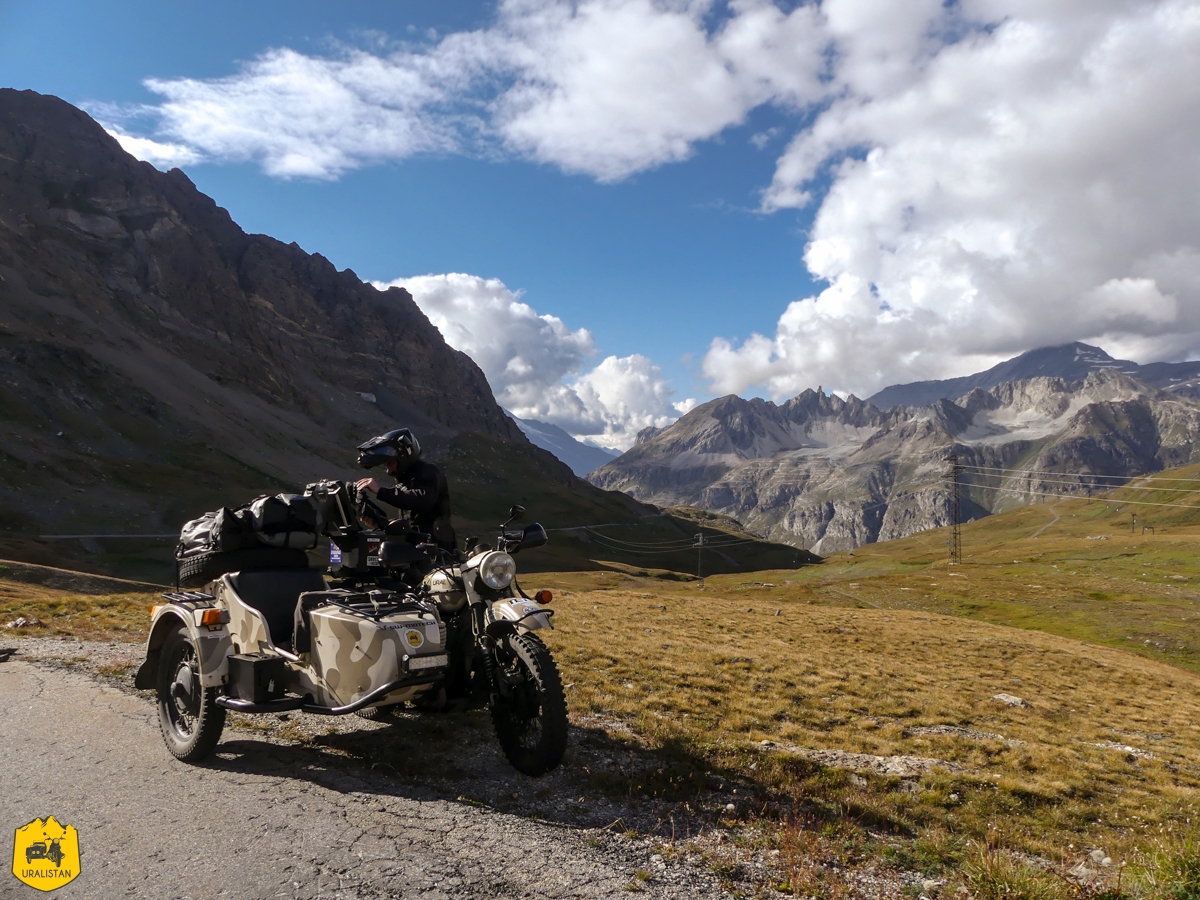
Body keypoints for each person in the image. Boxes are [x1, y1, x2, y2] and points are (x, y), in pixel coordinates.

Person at [354, 428, 458, 551]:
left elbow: (422, 499)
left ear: (402, 457)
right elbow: (409, 521)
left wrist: (380, 491)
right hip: (416, 547)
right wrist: (379, 524)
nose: (389, 471)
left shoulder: (429, 472)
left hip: (438, 550)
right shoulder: (406, 480)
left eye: (390, 464)